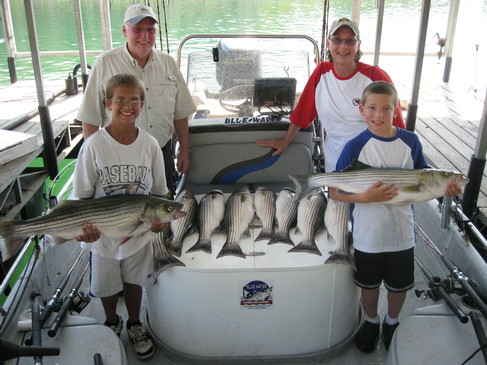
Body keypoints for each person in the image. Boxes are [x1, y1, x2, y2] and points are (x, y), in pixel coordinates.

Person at [328, 81, 463, 353]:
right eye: (372, 108)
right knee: (368, 284)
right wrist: (365, 198)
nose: (379, 115)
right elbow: (334, 192)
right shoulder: (355, 146)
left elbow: (425, 179)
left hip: (402, 234)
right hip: (368, 234)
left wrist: (447, 187)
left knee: (398, 286)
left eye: (386, 108)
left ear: (395, 109)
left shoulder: (410, 141)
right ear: (362, 110)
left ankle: (391, 322)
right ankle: (371, 320)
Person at [73, 73, 169, 360]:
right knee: (105, 285)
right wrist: (84, 230)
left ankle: (135, 324)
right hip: (102, 236)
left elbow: (160, 194)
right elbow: (82, 197)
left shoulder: (150, 144)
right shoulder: (93, 145)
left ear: (142, 105)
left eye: (134, 100)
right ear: (108, 104)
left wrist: (160, 219)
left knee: (134, 281)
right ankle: (111, 323)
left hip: (138, 235)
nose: (127, 106)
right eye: (120, 100)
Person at [256, 17, 406, 172]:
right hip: (335, 158)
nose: (343, 46)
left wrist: (403, 164)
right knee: (337, 196)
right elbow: (303, 114)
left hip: (375, 159)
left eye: (350, 40)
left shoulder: (376, 76)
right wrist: (285, 141)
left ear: (358, 45)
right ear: (328, 44)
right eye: (337, 40)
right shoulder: (321, 73)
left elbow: (398, 124)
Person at [76, 4, 196, 196]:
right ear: (124, 31)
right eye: (137, 30)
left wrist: (184, 150)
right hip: (115, 157)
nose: (144, 36)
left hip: (161, 151)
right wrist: (94, 159)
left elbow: (181, 112)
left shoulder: (168, 63)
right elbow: (90, 117)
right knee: (118, 212)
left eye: (150, 30)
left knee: (162, 204)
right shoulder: (105, 63)